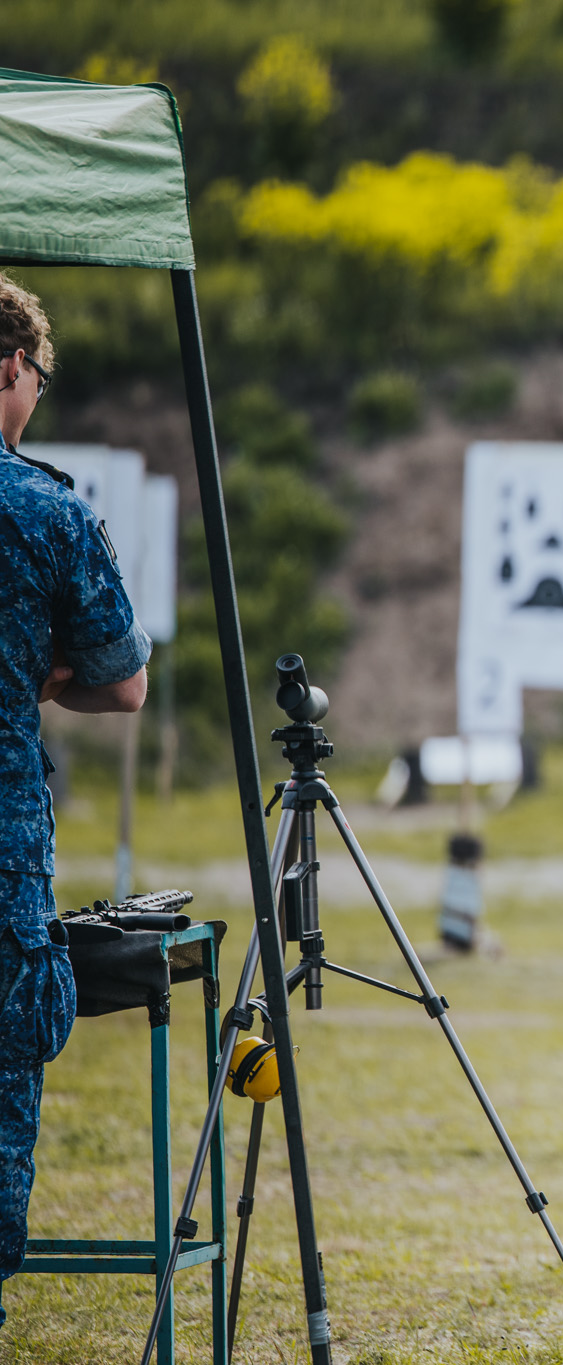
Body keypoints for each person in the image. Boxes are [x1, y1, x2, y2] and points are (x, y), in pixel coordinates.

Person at [0, 273, 152, 1326]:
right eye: (38, 377)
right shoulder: (45, 512)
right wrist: (43, 678)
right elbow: (125, 680)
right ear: (11, 365)